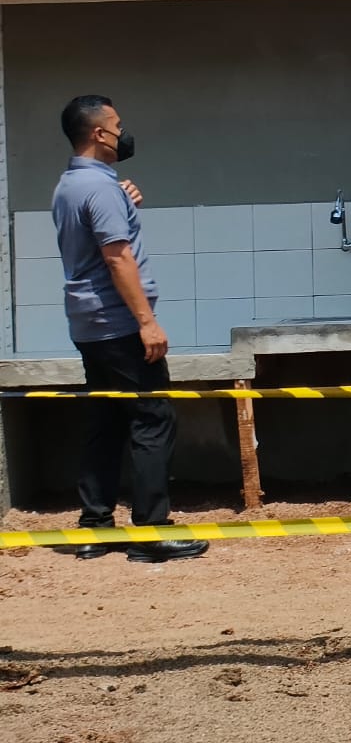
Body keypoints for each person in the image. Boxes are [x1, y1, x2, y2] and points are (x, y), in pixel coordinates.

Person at [51, 96, 207, 564]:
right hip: (118, 325)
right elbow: (117, 257)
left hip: (88, 324)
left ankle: (94, 526)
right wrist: (147, 322)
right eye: (117, 125)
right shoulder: (99, 190)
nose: (123, 132)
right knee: (152, 419)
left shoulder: (74, 185)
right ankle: (152, 532)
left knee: (106, 420)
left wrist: (123, 198)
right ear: (99, 133)